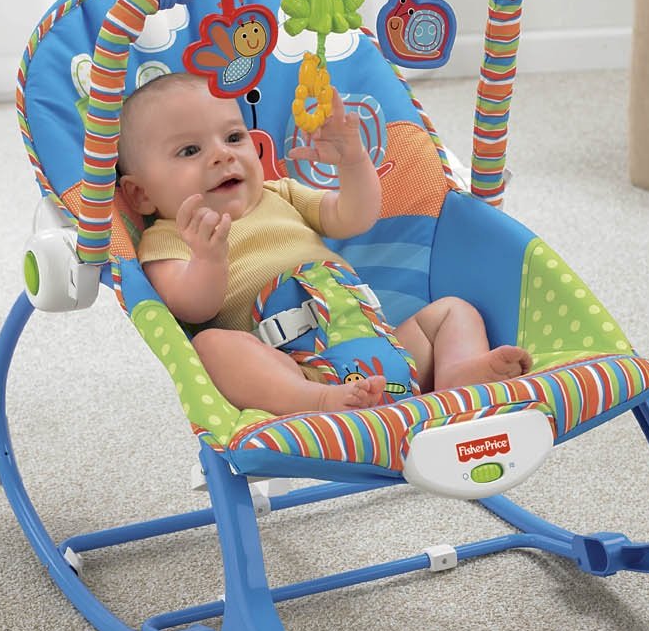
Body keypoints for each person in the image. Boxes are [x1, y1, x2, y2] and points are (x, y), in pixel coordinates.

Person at [116, 71, 532, 416]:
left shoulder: (280, 194)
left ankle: (456, 374)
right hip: (289, 365)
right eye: (190, 150)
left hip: (381, 346)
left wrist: (353, 162)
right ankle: (315, 401)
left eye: (234, 137)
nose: (222, 155)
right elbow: (192, 308)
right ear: (141, 195)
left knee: (452, 311)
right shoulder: (167, 238)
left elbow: (353, 217)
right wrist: (208, 258)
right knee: (211, 347)